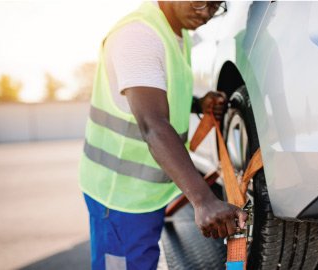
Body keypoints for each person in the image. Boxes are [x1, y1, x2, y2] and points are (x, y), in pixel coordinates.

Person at [78, 1, 247, 269]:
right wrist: (203, 201)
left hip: (146, 193)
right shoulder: (139, 36)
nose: (206, 13)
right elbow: (152, 124)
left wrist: (197, 103)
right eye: (200, 1)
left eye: (216, 4)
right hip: (120, 197)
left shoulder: (178, 31)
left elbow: (159, 90)